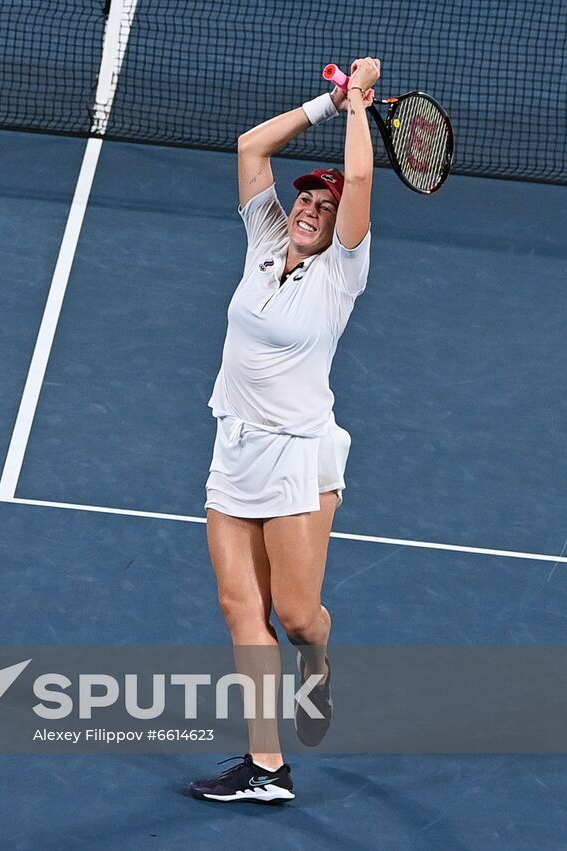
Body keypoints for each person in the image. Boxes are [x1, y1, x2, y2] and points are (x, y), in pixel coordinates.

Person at [187, 57, 382, 804]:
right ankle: (267, 768)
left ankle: (319, 661)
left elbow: (361, 183)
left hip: (299, 457)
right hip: (233, 448)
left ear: (339, 230)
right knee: (242, 610)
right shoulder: (264, 238)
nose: (309, 209)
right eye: (308, 199)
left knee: (298, 618)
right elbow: (250, 148)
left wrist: (362, 107)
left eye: (323, 209)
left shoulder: (342, 274)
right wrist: (329, 104)